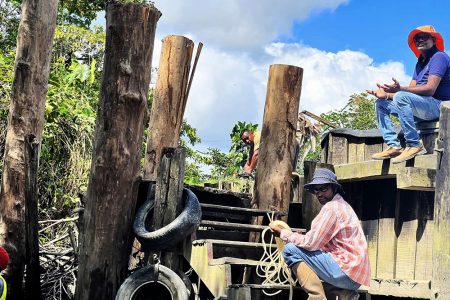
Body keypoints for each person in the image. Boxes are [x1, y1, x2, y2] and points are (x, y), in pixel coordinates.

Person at [269, 168, 370, 300]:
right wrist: (297, 237)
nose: (319, 194)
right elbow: (320, 243)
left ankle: (317, 297)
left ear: (334, 188)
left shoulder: (332, 208)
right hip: (355, 276)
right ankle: (344, 294)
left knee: (290, 250)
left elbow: (311, 243)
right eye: (317, 190)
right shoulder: (343, 205)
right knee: (308, 253)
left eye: (324, 189)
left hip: (345, 271)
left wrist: (284, 233)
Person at [368, 25, 450, 164]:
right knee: (381, 104)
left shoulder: (439, 57)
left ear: (433, 39)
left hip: (439, 106)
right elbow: (409, 93)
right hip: (423, 107)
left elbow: (430, 89)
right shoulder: (420, 62)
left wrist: (400, 90)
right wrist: (387, 95)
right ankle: (394, 146)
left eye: (424, 37)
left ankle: (413, 145)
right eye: (417, 38)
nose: (420, 40)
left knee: (401, 95)